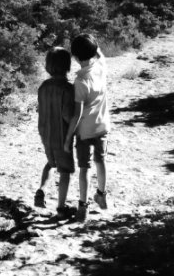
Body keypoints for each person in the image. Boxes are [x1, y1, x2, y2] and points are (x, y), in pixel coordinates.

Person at [65, 34, 110, 222]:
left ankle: (82, 207)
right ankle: (101, 194)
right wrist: (93, 44)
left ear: (74, 57)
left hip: (84, 132)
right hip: (102, 126)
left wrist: (68, 139)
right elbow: (99, 53)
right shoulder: (101, 67)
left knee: (84, 168)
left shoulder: (80, 81)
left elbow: (76, 115)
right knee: (101, 162)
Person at [34, 47, 75, 219]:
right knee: (65, 171)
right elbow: (67, 115)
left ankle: (41, 189)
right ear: (67, 65)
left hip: (45, 132)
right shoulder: (67, 88)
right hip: (61, 135)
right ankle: (61, 207)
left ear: (48, 66)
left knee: (50, 163)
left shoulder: (43, 87)